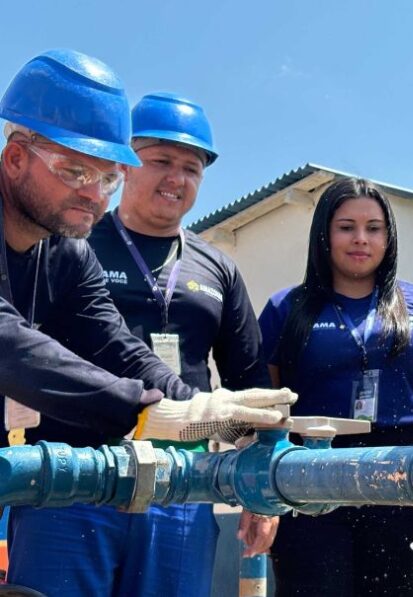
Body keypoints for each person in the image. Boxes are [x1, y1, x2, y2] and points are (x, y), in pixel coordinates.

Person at [0, 51, 295, 594]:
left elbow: (113, 344)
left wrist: (204, 412)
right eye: (76, 171)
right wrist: (144, 411)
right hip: (71, 481)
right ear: (16, 157)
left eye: (108, 177)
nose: (93, 193)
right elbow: (10, 345)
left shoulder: (67, 250)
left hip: (169, 486)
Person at [258, 177, 413, 596]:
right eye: (346, 227)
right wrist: (264, 493)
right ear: (324, 233)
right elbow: (266, 409)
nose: (361, 239)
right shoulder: (286, 308)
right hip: (308, 477)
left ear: (388, 237)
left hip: (401, 479)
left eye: (374, 228)